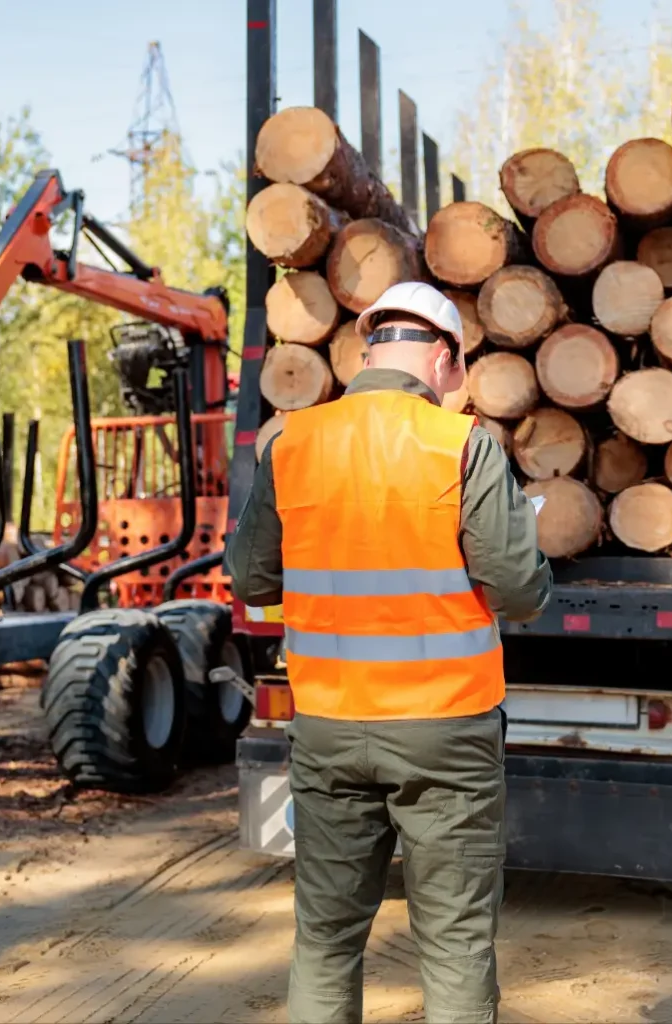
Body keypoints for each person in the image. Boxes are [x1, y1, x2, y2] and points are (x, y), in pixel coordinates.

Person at [228, 281, 552, 1024]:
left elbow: (250, 578)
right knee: (456, 942)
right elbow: (517, 588)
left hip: (329, 726)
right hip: (445, 727)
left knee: (326, 939)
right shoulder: (462, 443)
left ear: (368, 352)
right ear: (443, 359)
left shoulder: (293, 442)